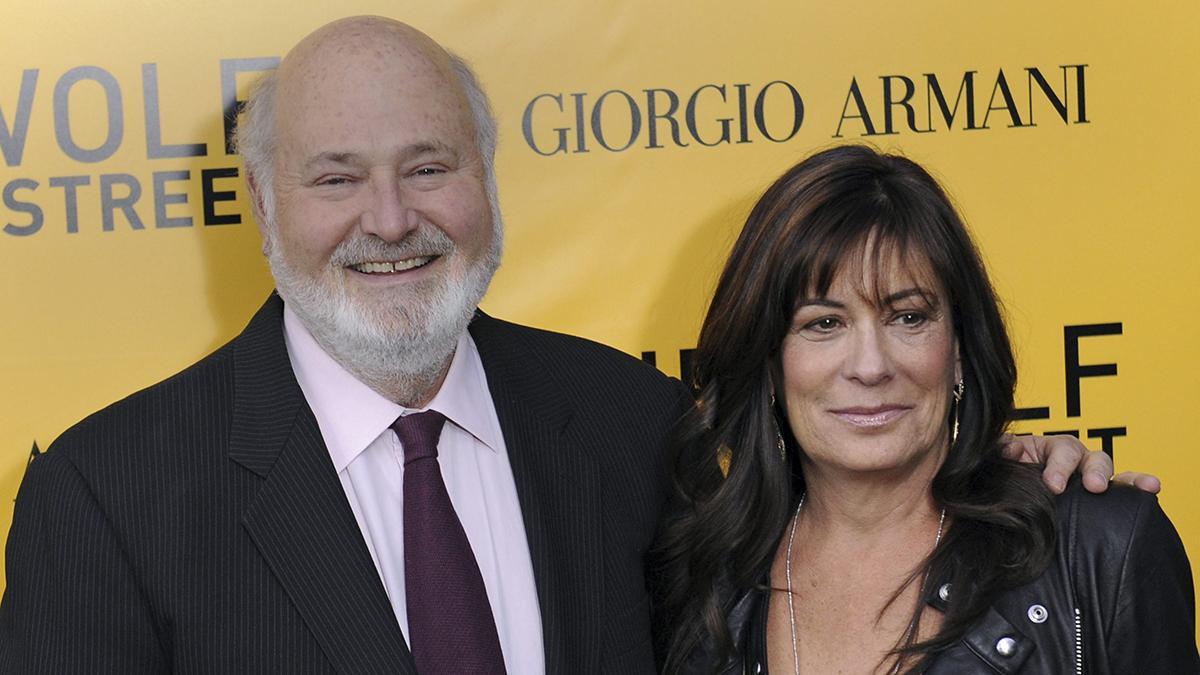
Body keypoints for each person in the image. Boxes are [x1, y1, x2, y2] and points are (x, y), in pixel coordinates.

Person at [0, 17, 1145, 674]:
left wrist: (1021, 489)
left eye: (430, 167)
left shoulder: (631, 427)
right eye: (336, 178)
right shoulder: (104, 500)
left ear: (489, 185)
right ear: (261, 209)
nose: (390, 219)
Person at [652, 145, 1198, 673]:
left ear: (959, 348)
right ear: (770, 361)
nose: (870, 365)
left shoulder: (1100, 548)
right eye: (824, 323)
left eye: (908, 317)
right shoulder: (699, 590)